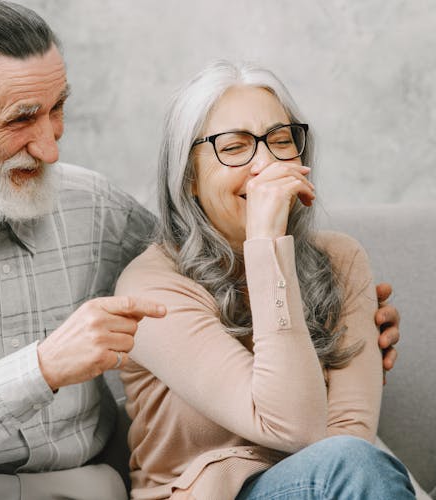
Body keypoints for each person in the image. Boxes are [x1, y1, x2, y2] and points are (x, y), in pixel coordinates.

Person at [0, 2, 401, 498]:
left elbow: (205, 263)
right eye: (22, 119)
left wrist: (338, 319)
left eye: (58, 109)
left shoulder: (92, 206)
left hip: (83, 487)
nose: (48, 146)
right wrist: (42, 368)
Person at [115, 60, 415, 499]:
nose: (265, 163)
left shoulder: (341, 259)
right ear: (189, 176)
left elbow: (351, 431)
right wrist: (267, 244)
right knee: (350, 464)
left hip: (332, 483)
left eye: (280, 140)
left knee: (353, 460)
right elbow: (297, 430)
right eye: (234, 147)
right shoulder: (152, 286)